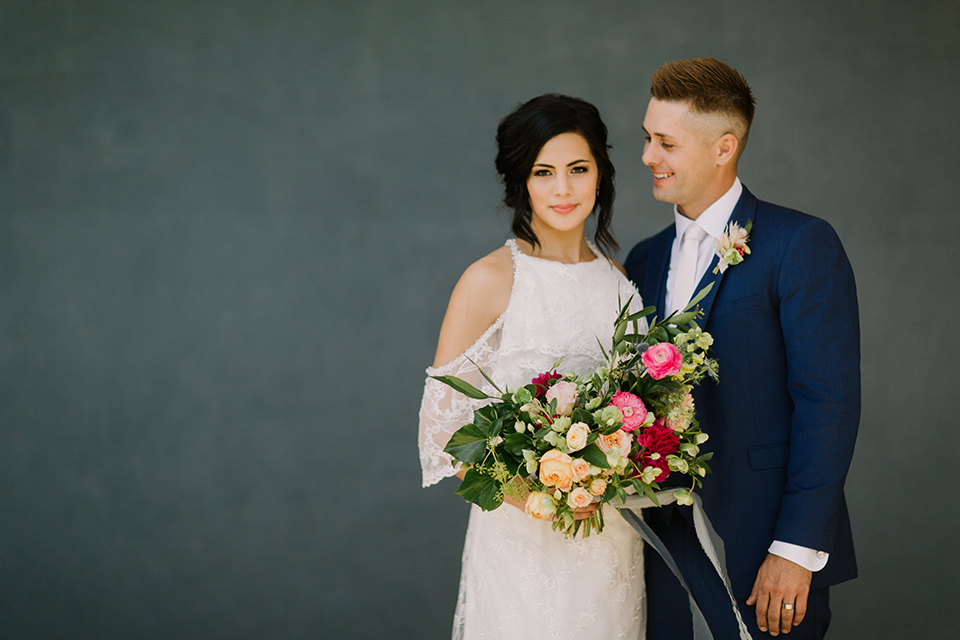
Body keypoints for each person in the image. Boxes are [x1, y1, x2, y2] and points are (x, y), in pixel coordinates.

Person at [625, 58, 860, 639]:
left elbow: (827, 404)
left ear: (723, 147)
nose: (648, 157)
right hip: (660, 548)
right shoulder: (643, 258)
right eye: (647, 139)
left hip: (765, 548)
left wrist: (796, 549)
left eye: (665, 143)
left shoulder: (800, 244)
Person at [418, 94, 646, 639]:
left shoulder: (620, 280)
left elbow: (643, 406)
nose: (563, 190)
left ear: (600, 176)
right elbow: (443, 430)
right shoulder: (491, 279)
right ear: (522, 181)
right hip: (524, 544)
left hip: (612, 539)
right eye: (544, 173)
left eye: (578, 169)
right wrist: (540, 496)